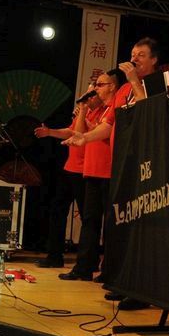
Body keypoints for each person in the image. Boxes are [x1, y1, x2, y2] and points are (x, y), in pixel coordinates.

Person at [64, 38, 160, 310]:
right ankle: (119, 279)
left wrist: (134, 80)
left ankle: (137, 286)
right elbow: (108, 125)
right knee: (119, 225)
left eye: (141, 55)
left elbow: (150, 114)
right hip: (122, 165)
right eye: (133, 54)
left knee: (136, 227)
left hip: (144, 164)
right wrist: (85, 138)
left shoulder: (156, 84)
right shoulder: (124, 90)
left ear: (154, 60)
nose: (135, 59)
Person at [58, 70, 120, 281]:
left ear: (112, 86)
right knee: (90, 221)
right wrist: (83, 112)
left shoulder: (114, 108)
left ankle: (109, 270)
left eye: (100, 85)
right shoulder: (99, 111)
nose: (96, 89)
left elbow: (106, 133)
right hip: (92, 171)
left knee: (111, 224)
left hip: (109, 171)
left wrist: (87, 132)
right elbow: (83, 132)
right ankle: (83, 268)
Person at [31, 90, 102, 268]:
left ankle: (89, 260)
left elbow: (79, 133)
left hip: (85, 170)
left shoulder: (101, 113)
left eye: (92, 93)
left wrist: (83, 111)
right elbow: (70, 131)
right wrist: (49, 132)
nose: (88, 96)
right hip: (70, 167)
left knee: (88, 217)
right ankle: (54, 256)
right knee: (57, 210)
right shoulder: (85, 112)